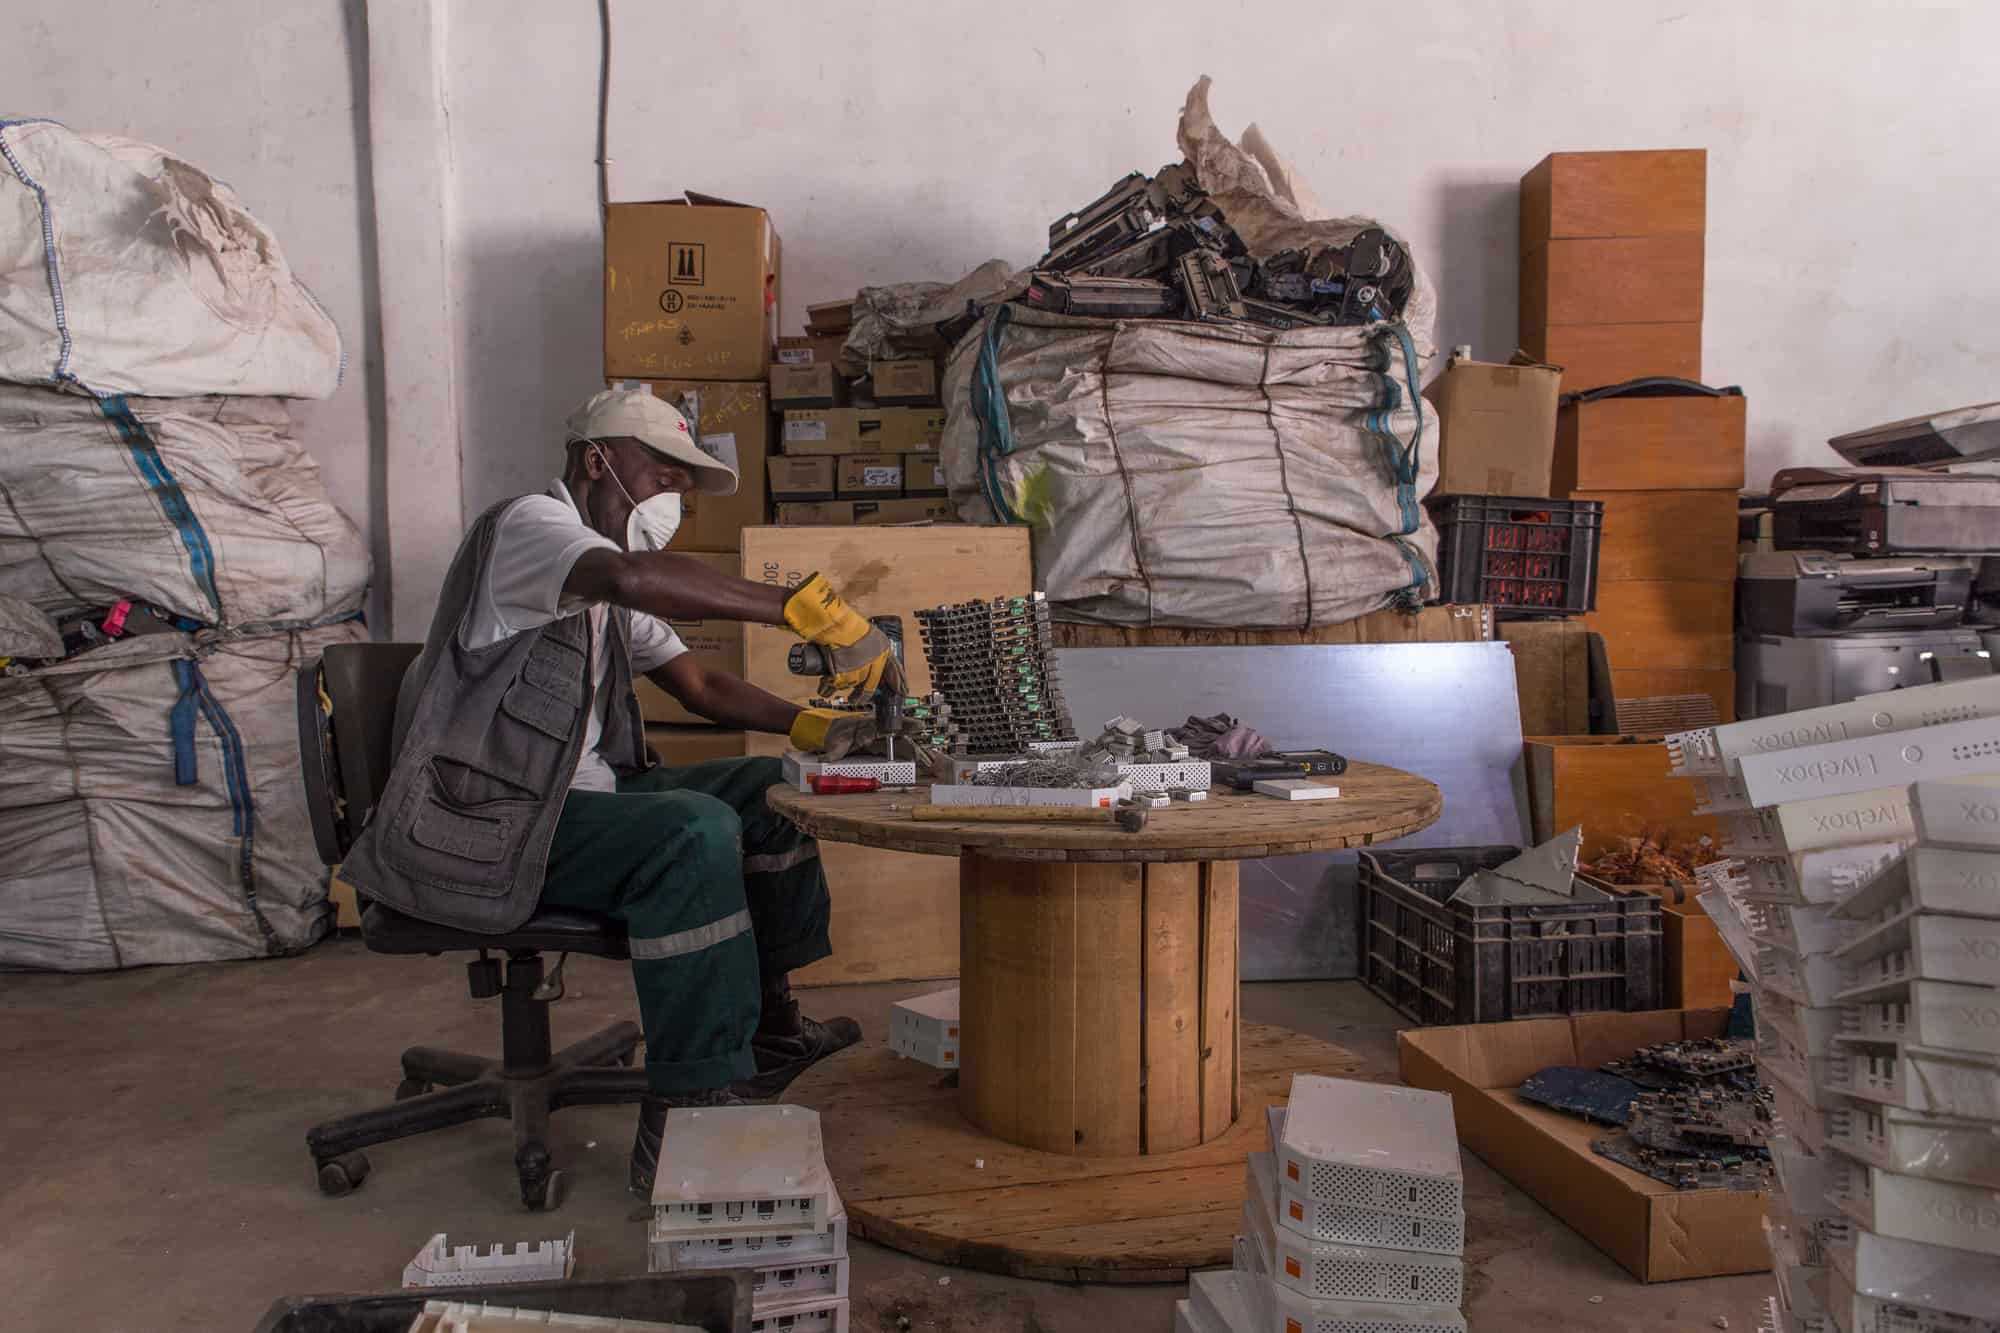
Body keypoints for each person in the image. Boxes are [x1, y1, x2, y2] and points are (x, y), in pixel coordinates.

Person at [339, 386, 899, 1197]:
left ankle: (772, 1034)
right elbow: (636, 576)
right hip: (491, 820)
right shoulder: (532, 529)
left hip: (565, 810)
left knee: (772, 790)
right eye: (662, 475)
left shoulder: (604, 584)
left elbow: (701, 682)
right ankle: (688, 1109)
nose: (671, 499)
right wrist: (806, 609)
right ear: (596, 461)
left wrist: (817, 730)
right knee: (692, 830)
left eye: (682, 484)